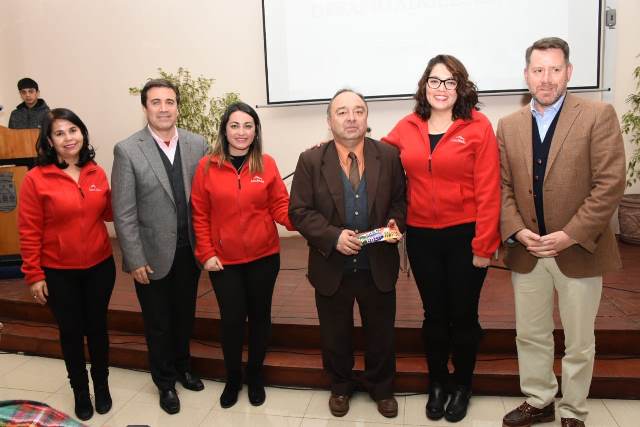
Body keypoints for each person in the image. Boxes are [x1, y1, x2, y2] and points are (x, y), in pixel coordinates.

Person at [499, 37, 626, 427]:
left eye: (555, 69)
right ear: (526, 75)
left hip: (578, 250)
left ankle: (573, 410)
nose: (546, 78)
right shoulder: (508, 125)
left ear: (569, 72)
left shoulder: (597, 115)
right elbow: (502, 187)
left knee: (579, 341)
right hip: (528, 251)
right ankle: (539, 400)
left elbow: (610, 184)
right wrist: (517, 231)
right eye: (538, 70)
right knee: (530, 334)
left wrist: (570, 234)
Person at [382, 54, 501, 422]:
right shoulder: (408, 125)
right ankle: (437, 383)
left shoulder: (478, 126)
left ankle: (462, 385)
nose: (442, 88)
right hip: (422, 238)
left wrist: (484, 245)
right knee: (434, 315)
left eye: (450, 81)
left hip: (466, 236)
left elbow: (490, 190)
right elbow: (376, 156)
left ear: (461, 87)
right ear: (425, 85)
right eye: (435, 81)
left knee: (463, 316)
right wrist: (332, 149)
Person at [289, 89, 406, 419]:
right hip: (331, 266)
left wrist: (396, 222)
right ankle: (340, 386)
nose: (351, 118)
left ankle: (382, 388)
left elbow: (400, 200)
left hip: (377, 263)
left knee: (381, 333)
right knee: (334, 333)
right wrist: (332, 236)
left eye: (358, 111)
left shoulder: (389, 156)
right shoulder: (310, 160)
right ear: (329, 121)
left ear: (367, 118)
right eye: (342, 112)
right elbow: (299, 211)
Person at [111, 79, 208, 415]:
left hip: (189, 251)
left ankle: (183, 368)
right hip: (150, 256)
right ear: (145, 108)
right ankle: (165, 382)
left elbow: (206, 198)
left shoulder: (197, 144)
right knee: (158, 323)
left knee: (184, 317)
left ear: (178, 106)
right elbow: (123, 212)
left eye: (169, 102)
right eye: (156, 102)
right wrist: (134, 258)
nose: (164, 108)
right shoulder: (127, 150)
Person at [191, 102, 294, 408]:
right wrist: (206, 253)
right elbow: (199, 214)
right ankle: (233, 378)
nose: (241, 132)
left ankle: (255, 376)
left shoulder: (267, 164)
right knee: (232, 321)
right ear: (224, 130)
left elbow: (280, 206)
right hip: (224, 263)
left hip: (265, 258)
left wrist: (304, 220)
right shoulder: (206, 166)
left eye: (248, 126)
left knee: (260, 319)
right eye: (234, 125)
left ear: (256, 131)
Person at [17, 108, 115, 421]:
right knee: (71, 333)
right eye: (59, 133)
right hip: (58, 272)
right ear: (49, 141)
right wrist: (34, 274)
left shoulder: (96, 172)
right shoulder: (35, 179)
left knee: (98, 329)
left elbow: (109, 213)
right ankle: (80, 391)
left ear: (82, 133)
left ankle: (102, 386)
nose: (68, 138)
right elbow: (28, 230)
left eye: (73, 130)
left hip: (100, 266)